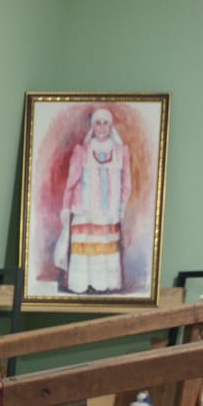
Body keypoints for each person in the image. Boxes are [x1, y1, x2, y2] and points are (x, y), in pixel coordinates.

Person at [55, 106, 132, 294]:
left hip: (109, 214)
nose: (102, 127)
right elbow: (71, 182)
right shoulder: (81, 151)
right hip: (84, 212)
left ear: (111, 126)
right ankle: (82, 283)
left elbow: (126, 183)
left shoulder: (121, 152)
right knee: (85, 250)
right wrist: (66, 207)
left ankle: (105, 284)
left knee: (105, 249)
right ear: (93, 126)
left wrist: (122, 206)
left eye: (106, 123)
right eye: (98, 123)